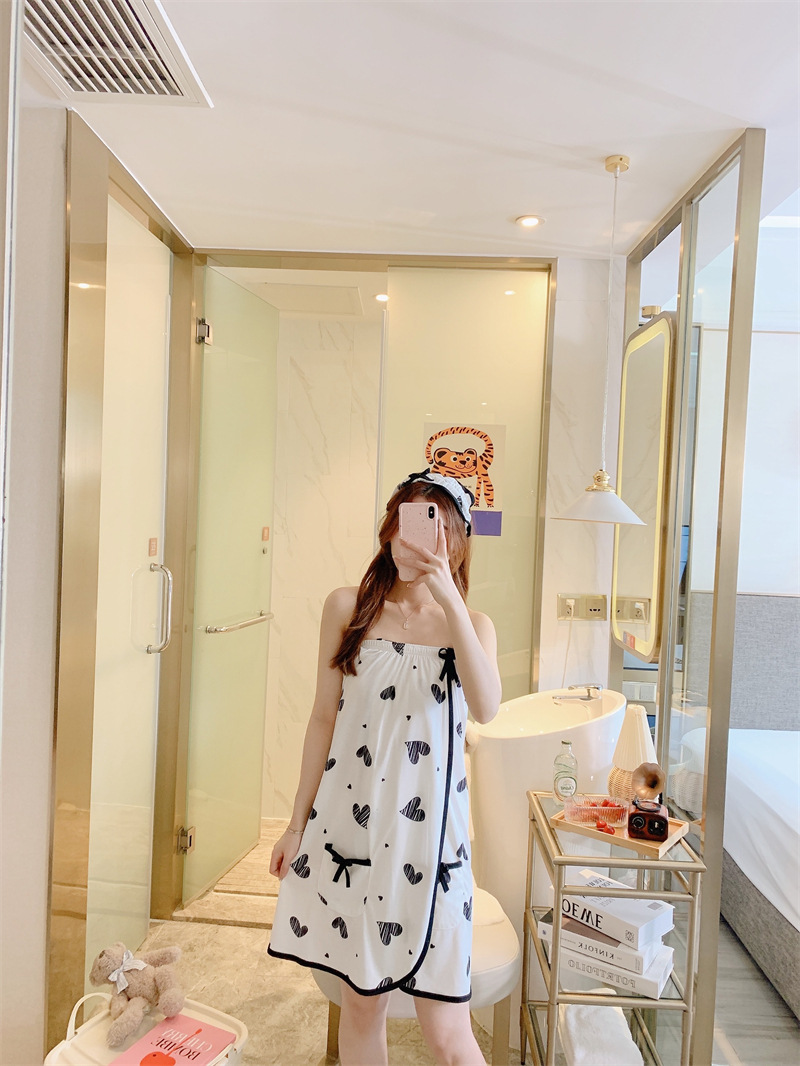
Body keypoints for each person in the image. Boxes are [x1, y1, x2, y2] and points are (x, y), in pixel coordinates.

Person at [268, 470, 501, 1066]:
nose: (411, 536)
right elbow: (322, 719)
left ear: (454, 539)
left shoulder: (472, 627)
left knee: (447, 1030)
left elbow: (487, 707)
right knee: (362, 1008)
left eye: (431, 524)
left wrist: (448, 596)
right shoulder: (346, 608)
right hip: (356, 833)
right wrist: (295, 825)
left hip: (434, 847)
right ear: (390, 528)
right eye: (404, 519)